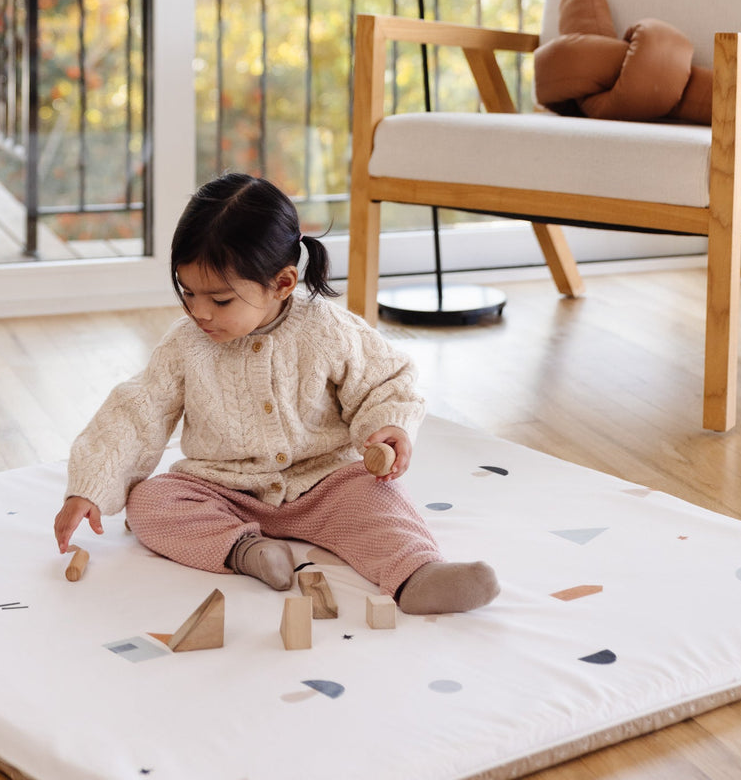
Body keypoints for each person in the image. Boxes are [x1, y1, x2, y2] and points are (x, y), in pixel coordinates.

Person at [53, 173, 499, 615]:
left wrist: (386, 428)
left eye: (221, 300)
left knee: (378, 497)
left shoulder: (326, 328)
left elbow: (384, 381)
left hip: (324, 484)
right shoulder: (184, 344)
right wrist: (91, 487)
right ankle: (246, 551)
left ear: (283, 283)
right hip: (222, 488)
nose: (199, 312)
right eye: (187, 293)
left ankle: (417, 573)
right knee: (149, 504)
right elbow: (136, 413)